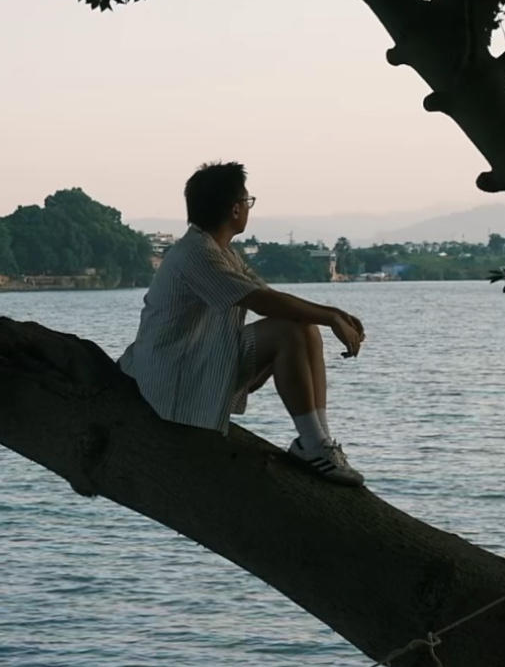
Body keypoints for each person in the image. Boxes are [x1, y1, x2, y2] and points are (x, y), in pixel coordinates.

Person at [118, 161, 367, 486]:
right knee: (291, 330)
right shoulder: (197, 254)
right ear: (235, 209)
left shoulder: (219, 251)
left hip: (199, 360)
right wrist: (331, 316)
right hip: (173, 376)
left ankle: (317, 441)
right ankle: (313, 443)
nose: (249, 208)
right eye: (247, 202)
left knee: (302, 326)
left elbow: (265, 295)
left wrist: (332, 314)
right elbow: (261, 302)